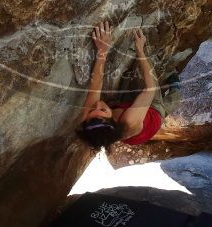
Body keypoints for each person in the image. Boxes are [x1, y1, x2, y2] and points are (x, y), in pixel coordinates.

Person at [76, 20, 179, 151]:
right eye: (102, 110)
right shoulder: (129, 120)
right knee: (164, 104)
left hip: (125, 112)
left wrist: (102, 49)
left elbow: (95, 85)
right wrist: (140, 50)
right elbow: (150, 89)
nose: (97, 105)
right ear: (113, 120)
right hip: (153, 113)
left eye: (91, 111)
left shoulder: (89, 119)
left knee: (122, 86)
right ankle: (176, 89)